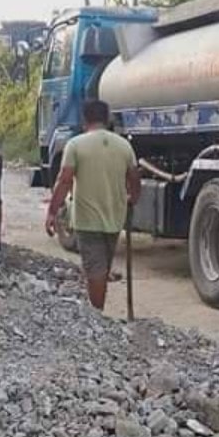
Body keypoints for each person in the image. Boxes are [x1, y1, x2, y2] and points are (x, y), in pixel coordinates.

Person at [45, 99, 140, 311]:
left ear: (84, 120)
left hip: (87, 220)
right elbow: (134, 177)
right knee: (102, 266)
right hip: (115, 217)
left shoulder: (75, 145)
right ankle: (99, 309)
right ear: (106, 119)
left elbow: (64, 180)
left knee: (95, 270)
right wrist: (133, 198)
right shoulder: (124, 145)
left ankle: (97, 315)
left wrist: (52, 212)